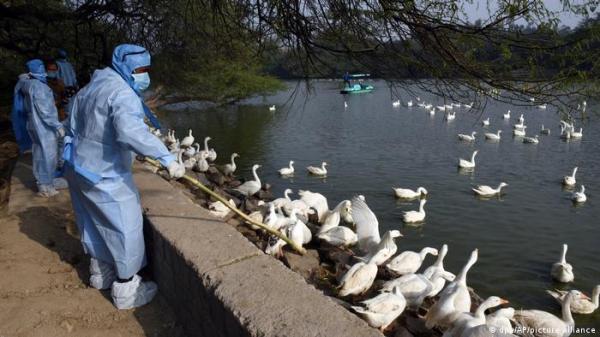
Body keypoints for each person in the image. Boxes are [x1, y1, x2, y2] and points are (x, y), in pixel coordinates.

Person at [63, 44, 185, 310]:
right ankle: (127, 289)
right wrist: (166, 158)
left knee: (93, 223)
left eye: (146, 69)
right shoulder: (121, 92)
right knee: (125, 225)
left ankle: (101, 274)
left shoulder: (90, 88)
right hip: (104, 174)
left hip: (78, 167)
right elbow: (130, 131)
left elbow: (71, 126)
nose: (144, 75)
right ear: (125, 67)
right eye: (140, 69)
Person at [12, 59, 67, 197]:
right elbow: (45, 110)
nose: (44, 70)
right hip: (44, 126)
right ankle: (45, 186)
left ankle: (44, 182)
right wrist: (57, 125)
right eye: (42, 67)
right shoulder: (39, 87)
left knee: (39, 154)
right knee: (48, 155)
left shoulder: (26, 83)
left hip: (33, 123)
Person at [56, 49, 78, 113]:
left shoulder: (57, 64)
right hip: (71, 88)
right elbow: (74, 77)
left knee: (65, 107)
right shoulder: (69, 65)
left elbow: (57, 77)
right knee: (71, 105)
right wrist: (76, 85)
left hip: (64, 88)